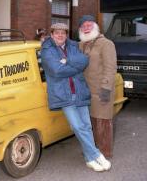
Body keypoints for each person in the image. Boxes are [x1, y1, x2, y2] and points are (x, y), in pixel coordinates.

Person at [41, 23, 111, 172]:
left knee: (86, 125)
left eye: (63, 33)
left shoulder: (73, 46)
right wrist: (74, 65)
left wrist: (67, 61)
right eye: (57, 33)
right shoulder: (47, 50)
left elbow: (84, 61)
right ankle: (95, 154)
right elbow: (57, 70)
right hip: (63, 94)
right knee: (78, 127)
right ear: (52, 34)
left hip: (78, 90)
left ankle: (89, 159)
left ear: (66, 35)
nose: (60, 35)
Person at [78, 15, 117, 158]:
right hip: (85, 91)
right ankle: (91, 150)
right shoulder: (81, 44)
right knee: (89, 122)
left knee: (103, 122)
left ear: (95, 26)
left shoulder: (106, 43)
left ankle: (105, 152)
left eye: (89, 25)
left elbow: (110, 67)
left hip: (101, 90)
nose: (86, 28)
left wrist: (106, 89)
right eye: (83, 26)